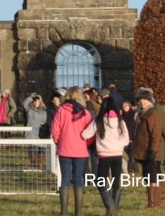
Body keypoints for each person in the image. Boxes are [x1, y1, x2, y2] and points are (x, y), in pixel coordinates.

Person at [82, 96, 129, 216]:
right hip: (118, 155)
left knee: (100, 182)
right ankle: (113, 210)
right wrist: (118, 146)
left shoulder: (98, 121)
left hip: (104, 155)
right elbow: (126, 140)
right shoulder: (121, 122)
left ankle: (111, 208)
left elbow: (85, 135)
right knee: (116, 183)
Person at [50, 87, 94, 216]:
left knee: (65, 179)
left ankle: (63, 212)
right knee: (78, 179)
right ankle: (78, 213)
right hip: (80, 150)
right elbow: (91, 132)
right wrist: (85, 144)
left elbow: (54, 130)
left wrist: (59, 142)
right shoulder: (85, 113)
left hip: (64, 149)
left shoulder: (61, 110)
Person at [134, 88, 165, 209]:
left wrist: (153, 150)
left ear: (150, 101)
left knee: (152, 177)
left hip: (150, 151)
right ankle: (154, 202)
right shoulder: (143, 114)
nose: (142, 102)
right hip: (144, 150)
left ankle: (154, 203)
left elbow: (156, 134)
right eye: (140, 99)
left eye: (145, 99)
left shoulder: (152, 114)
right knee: (148, 176)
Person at [22, 93, 48, 170]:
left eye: (37, 101)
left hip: (41, 133)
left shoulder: (44, 111)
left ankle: (40, 166)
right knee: (33, 150)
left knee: (41, 150)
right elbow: (24, 104)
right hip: (31, 133)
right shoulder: (29, 110)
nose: (36, 102)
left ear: (40, 102)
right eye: (34, 101)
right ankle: (34, 166)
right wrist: (31, 97)